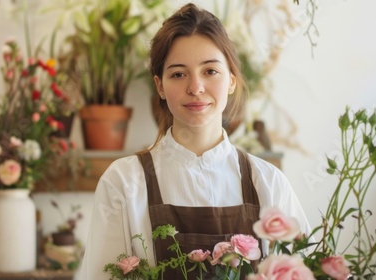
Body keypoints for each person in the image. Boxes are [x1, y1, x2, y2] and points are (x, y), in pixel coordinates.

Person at [80, 3, 311, 279]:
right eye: (178, 74)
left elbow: (304, 270)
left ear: (232, 81)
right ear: (160, 86)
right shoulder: (123, 182)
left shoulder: (269, 183)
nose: (196, 87)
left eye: (210, 71)